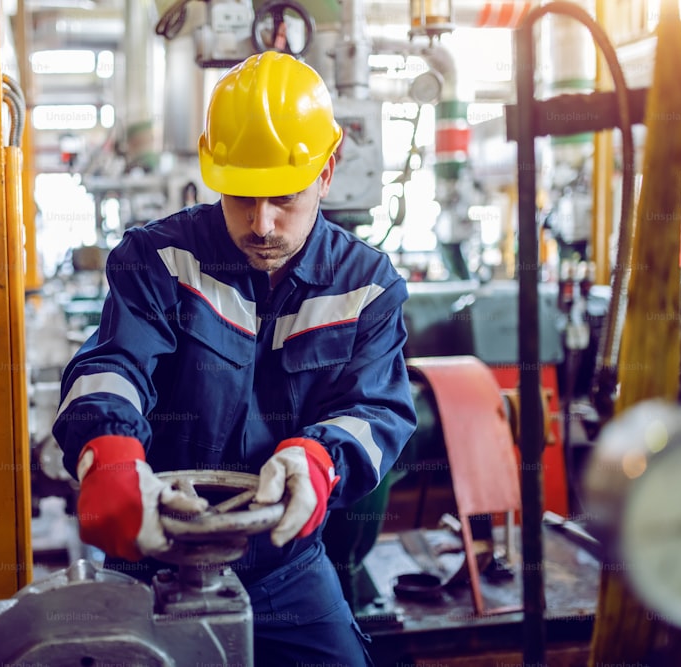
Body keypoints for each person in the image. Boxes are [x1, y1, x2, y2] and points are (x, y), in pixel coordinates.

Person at [52, 51, 417, 666]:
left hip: (286, 566)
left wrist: (320, 460)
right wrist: (107, 449)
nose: (262, 223)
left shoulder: (367, 286)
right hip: (153, 555)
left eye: (285, 199)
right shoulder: (158, 259)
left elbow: (376, 408)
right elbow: (114, 365)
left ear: (326, 173)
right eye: (242, 195)